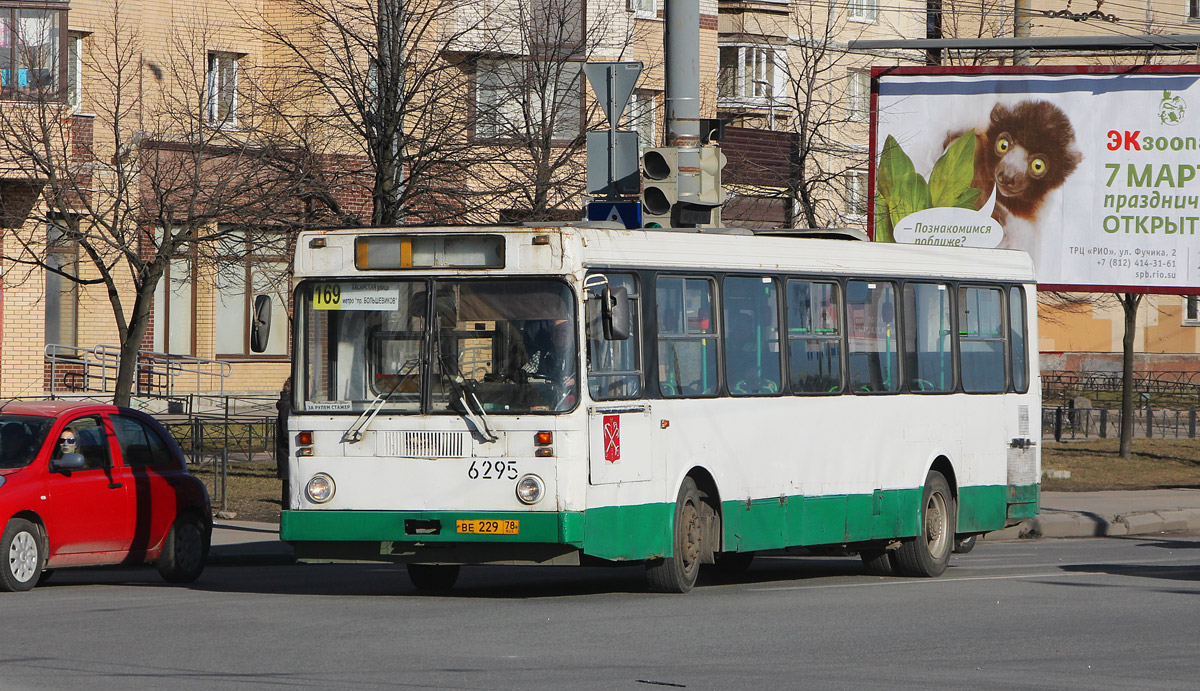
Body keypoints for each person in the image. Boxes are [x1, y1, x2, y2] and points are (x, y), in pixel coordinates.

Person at [275, 376, 292, 508]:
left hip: (287, 455)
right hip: (288, 455)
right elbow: (287, 433)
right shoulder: (287, 406)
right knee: (288, 493)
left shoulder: (287, 404)